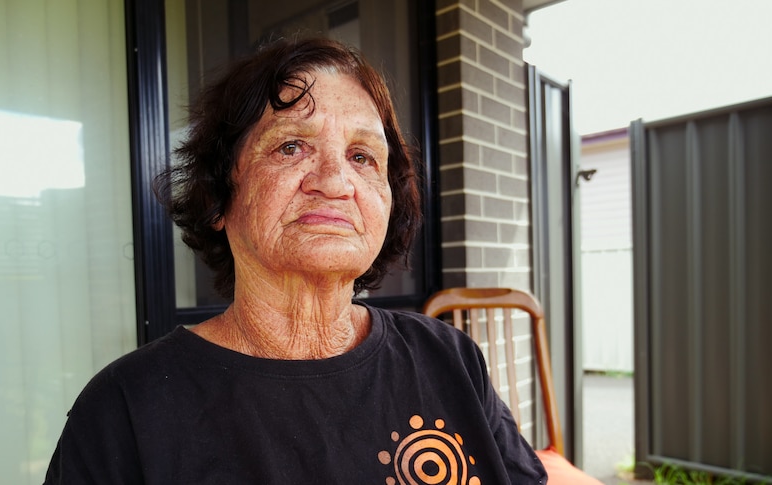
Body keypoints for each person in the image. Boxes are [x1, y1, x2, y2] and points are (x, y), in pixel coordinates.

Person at [44, 37, 547, 484]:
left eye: (362, 156)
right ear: (219, 197)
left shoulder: (449, 359)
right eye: (290, 146)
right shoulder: (127, 409)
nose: (334, 181)